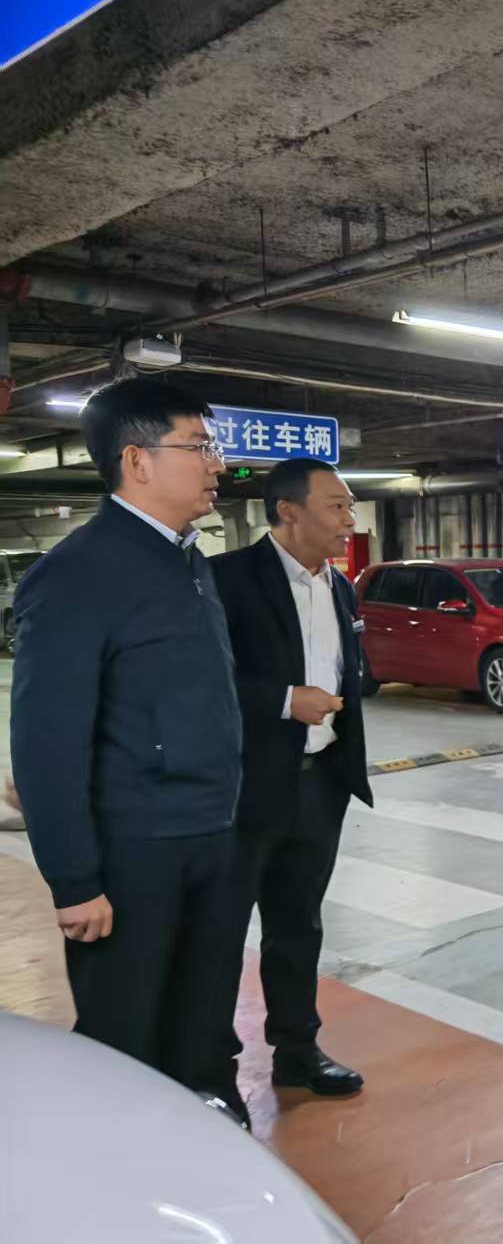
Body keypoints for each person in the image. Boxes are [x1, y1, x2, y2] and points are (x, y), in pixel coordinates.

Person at [9, 377, 248, 1122]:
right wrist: (74, 879)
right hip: (133, 848)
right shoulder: (76, 575)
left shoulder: (191, 561)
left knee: (202, 1008)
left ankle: (205, 1113)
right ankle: (118, 1154)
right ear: (137, 461)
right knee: (125, 1026)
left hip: (212, 830)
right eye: (199, 446)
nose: (217, 463)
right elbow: (46, 740)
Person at [210, 459, 372, 1099]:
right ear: (288, 511)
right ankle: (214, 1070)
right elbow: (202, 682)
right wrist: (283, 700)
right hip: (246, 788)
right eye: (336, 506)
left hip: (318, 783)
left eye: (350, 506)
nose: (349, 520)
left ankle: (297, 1050)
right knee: (222, 932)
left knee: (298, 924)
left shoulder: (340, 587)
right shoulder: (225, 579)